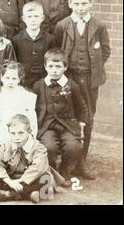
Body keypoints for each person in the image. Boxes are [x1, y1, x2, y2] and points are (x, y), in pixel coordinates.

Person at [54, 0, 110, 179]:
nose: (80, 7)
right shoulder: (62, 25)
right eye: (76, 3)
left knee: (87, 117)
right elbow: (57, 50)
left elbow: (105, 50)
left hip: (89, 79)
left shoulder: (98, 25)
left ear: (90, 3)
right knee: (68, 115)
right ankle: (68, 160)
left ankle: (82, 161)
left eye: (84, 3)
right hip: (69, 77)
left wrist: (92, 67)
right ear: (70, 4)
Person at [32, 49, 89, 181]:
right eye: (51, 66)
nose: (54, 70)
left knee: (73, 147)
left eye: (58, 66)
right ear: (45, 67)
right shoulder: (38, 85)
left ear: (65, 67)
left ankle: (65, 169)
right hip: (47, 126)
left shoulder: (72, 86)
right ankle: (50, 170)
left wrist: (81, 126)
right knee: (48, 147)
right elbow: (32, 108)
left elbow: (82, 107)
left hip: (67, 125)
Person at [0, 114, 67, 203]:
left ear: (29, 132)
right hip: (12, 178)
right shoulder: (6, 145)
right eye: (13, 133)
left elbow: (38, 168)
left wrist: (20, 181)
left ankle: (10, 194)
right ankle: (29, 194)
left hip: (31, 179)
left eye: (21, 133)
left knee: (46, 179)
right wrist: (10, 182)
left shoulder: (38, 147)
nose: (17, 137)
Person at [0, 61, 38, 147]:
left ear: (19, 79)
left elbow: (32, 116)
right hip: (5, 127)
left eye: (14, 78)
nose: (10, 81)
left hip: (22, 128)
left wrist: (32, 133)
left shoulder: (26, 95)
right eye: (7, 78)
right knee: (7, 147)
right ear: (1, 78)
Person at [12, 2, 56, 88]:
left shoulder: (50, 39)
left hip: (44, 81)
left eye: (36, 16)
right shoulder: (16, 39)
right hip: (24, 81)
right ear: (24, 18)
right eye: (29, 16)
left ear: (42, 18)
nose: (33, 20)